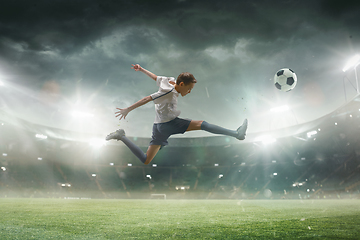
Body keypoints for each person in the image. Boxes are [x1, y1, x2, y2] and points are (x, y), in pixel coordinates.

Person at [106, 64, 248, 165]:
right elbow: (147, 98)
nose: (190, 91)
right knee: (202, 124)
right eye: (189, 88)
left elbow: (156, 78)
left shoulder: (170, 81)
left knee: (146, 160)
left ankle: (121, 136)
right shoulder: (167, 92)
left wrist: (141, 69)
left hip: (158, 126)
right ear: (181, 84)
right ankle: (237, 134)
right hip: (169, 124)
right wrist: (127, 109)